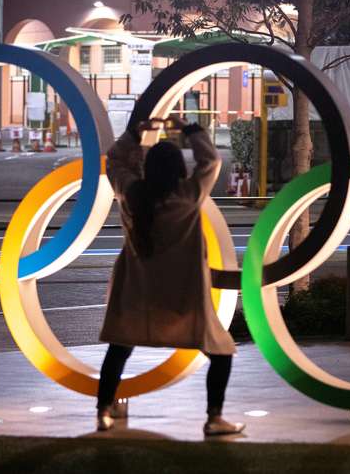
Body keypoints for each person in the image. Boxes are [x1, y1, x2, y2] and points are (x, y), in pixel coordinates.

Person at [97, 116, 244, 436]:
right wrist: (190, 129)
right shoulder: (188, 196)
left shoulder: (131, 195)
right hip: (183, 298)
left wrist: (135, 133)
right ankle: (214, 418)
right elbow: (211, 160)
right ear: (179, 168)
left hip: (138, 295)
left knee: (119, 349)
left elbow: (114, 163)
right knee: (221, 352)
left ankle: (103, 412)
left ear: (149, 168)